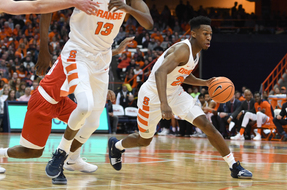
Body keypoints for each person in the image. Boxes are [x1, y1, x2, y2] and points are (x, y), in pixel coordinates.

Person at [107, 16, 252, 179]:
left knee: (206, 125)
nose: (209, 37)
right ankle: (117, 146)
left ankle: (233, 166)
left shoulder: (195, 54)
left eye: (211, 34)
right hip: (153, 94)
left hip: (175, 92)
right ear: (194, 33)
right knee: (144, 140)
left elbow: (182, 74)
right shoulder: (183, 49)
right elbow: (160, 72)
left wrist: (204, 82)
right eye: (205, 33)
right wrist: (164, 104)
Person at [38, 0, 153, 182]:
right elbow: (47, 4)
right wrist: (43, 49)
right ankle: (60, 154)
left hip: (102, 59)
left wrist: (127, 8)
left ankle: (72, 159)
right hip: (78, 53)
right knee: (84, 106)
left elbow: (148, 22)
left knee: (93, 122)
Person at [0, 38, 134, 184]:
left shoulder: (82, 52)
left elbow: (93, 58)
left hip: (60, 100)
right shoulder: (73, 52)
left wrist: (115, 52)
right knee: (33, 152)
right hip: (43, 101)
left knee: (85, 120)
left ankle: (73, 159)